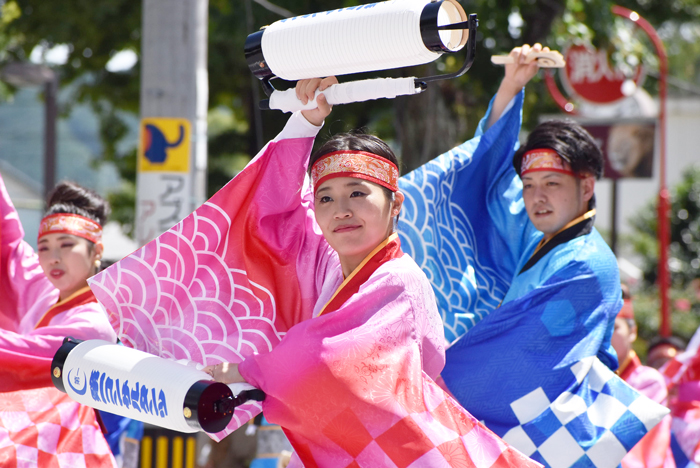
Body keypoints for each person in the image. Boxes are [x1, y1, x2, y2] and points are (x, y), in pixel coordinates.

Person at [89, 79, 540, 468]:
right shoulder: (324, 260)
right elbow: (271, 210)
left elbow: (326, 364)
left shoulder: (397, 282)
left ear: (395, 203)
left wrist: (248, 369)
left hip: (401, 451)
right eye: (325, 198)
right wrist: (306, 122)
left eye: (357, 193)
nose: (340, 210)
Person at [397, 44, 668, 467]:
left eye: (552, 184)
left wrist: (430, 378)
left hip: (552, 426)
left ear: (586, 186)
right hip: (528, 427)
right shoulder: (539, 233)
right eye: (529, 185)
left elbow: (520, 354)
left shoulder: (587, 266)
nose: (536, 198)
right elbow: (487, 180)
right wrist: (512, 85)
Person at [0, 177, 120, 467]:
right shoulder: (44, 290)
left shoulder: (95, 321)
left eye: (66, 245)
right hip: (25, 444)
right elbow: (8, 242)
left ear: (97, 252)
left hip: (69, 451)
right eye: (43, 247)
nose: (53, 258)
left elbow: (22, 357)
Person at [612, 284, 675, 468]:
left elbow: (628, 440)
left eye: (614, 328)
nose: (606, 336)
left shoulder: (648, 381)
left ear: (632, 332)